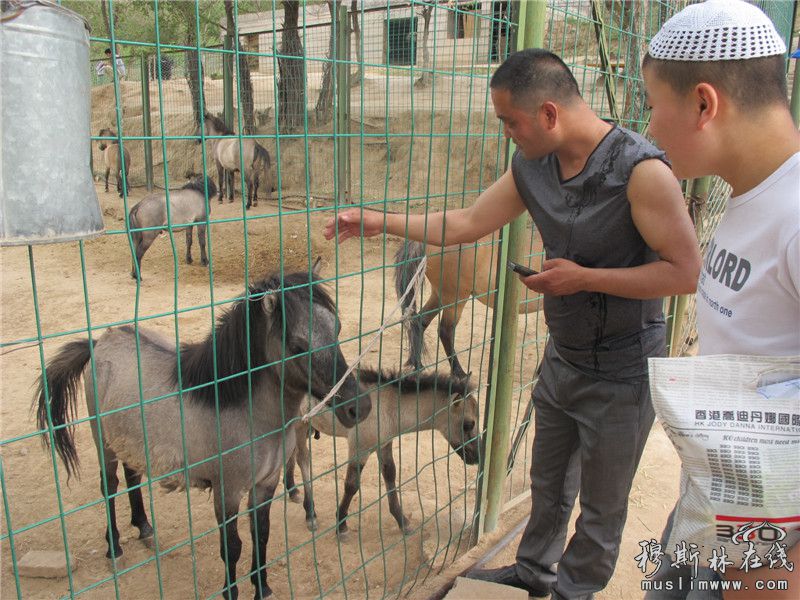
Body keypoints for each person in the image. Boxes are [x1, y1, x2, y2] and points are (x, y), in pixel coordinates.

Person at [325, 48, 701, 599]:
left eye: (510, 122)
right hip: (564, 358)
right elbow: (468, 222)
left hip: (624, 371)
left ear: (549, 114)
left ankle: (575, 591)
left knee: (601, 505)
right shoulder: (533, 166)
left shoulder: (641, 173)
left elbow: (685, 273)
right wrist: (374, 220)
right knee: (549, 485)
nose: (507, 134)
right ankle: (533, 572)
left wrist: (585, 280)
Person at [641, 1, 799, 598]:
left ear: (704, 104)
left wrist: (777, 573)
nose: (650, 128)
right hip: (719, 500)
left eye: (655, 106)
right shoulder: (751, 194)